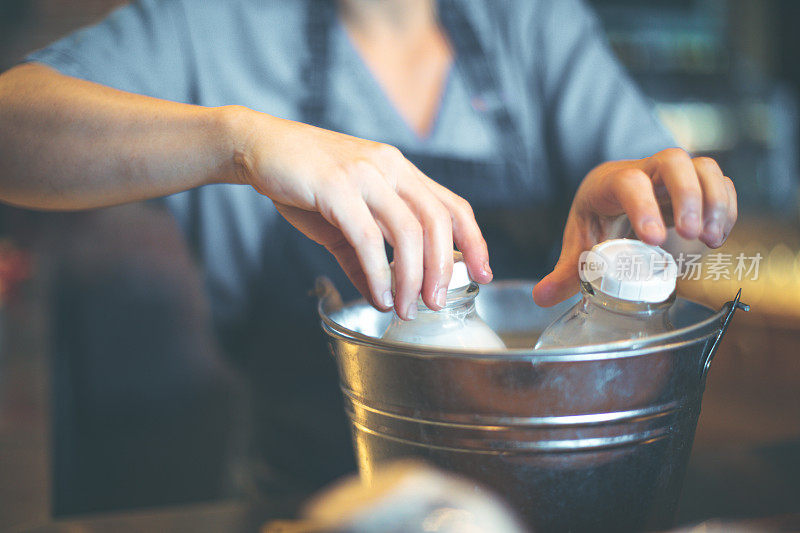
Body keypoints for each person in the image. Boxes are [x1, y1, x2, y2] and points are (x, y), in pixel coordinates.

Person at [0, 0, 737, 498]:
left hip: (555, 503)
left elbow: (667, 247)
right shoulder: (211, 25)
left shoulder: (530, 22)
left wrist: (654, 217)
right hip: (316, 500)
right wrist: (242, 141)